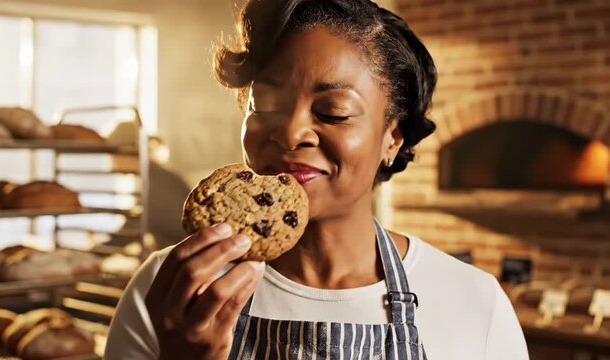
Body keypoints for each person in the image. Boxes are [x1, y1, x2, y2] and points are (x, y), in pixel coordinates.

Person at [105, 0, 529, 359]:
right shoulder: (169, 291)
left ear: (392, 138)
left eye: (333, 112)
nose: (291, 133)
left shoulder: (474, 302)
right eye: (264, 104)